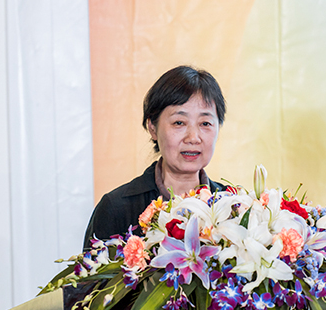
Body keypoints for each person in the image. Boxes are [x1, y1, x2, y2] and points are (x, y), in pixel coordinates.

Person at [83, 65, 227, 249]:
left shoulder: (232, 207)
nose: (193, 137)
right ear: (152, 127)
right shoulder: (116, 208)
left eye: (205, 123)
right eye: (179, 122)